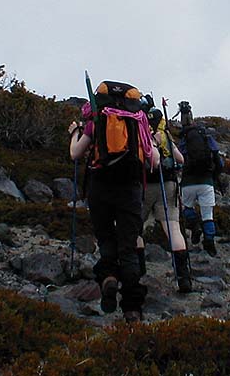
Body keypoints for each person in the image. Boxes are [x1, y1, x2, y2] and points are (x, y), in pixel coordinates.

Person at [69, 83, 159, 323]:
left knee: (106, 238)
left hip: (100, 186)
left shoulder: (97, 119)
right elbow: (154, 161)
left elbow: (76, 155)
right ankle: (132, 309)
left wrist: (74, 134)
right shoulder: (139, 121)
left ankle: (108, 277)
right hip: (130, 189)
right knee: (128, 246)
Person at [137, 107, 192, 293]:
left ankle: (139, 273)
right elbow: (181, 159)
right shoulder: (166, 135)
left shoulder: (142, 133)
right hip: (168, 184)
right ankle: (184, 278)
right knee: (173, 229)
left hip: (144, 186)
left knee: (136, 227)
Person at [178, 104, 223, 257]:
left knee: (188, 208)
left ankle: (194, 226)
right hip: (206, 181)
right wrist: (215, 176)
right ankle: (209, 242)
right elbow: (218, 162)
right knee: (207, 214)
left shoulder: (184, 140)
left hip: (188, 181)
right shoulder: (207, 138)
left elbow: (180, 160)